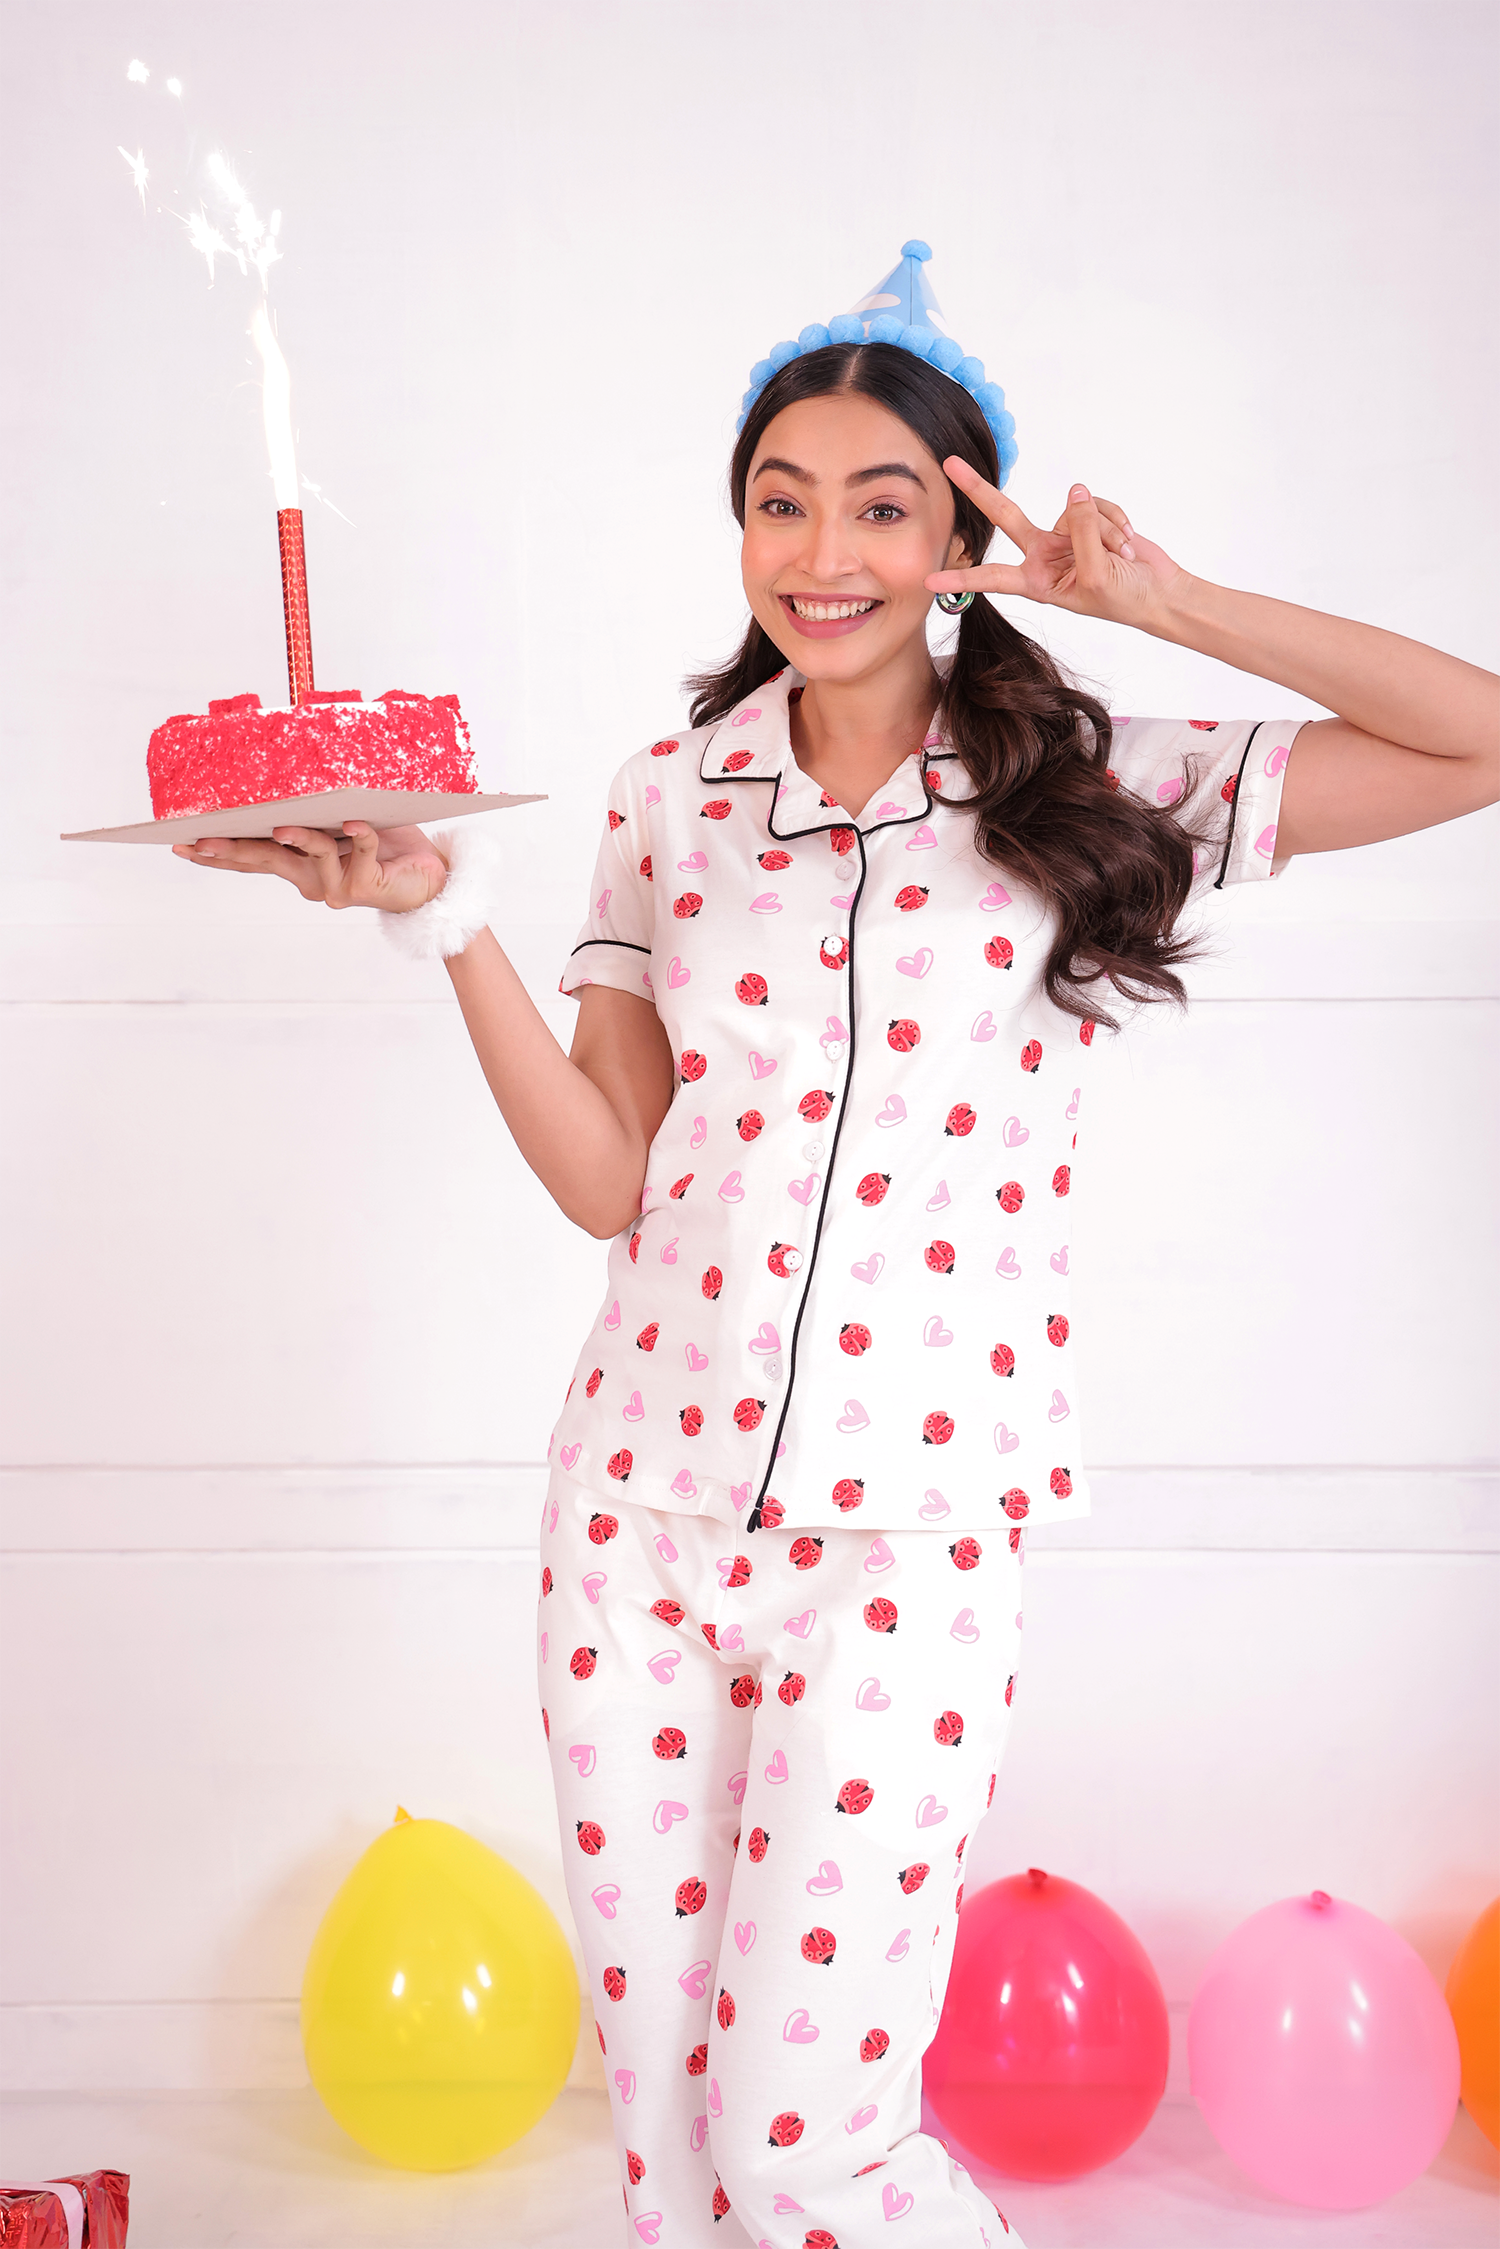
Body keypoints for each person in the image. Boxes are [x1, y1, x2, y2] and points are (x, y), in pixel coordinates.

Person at [174, 245, 1500, 2249]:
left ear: (966, 526)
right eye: (780, 494)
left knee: (813, 2144)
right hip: (632, 1523)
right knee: (685, 2151)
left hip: (915, 1542)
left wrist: (1158, 599)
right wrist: (438, 918)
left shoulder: (1090, 779)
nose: (823, 546)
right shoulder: (667, 804)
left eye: (884, 500)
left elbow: (1481, 735)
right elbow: (610, 1176)